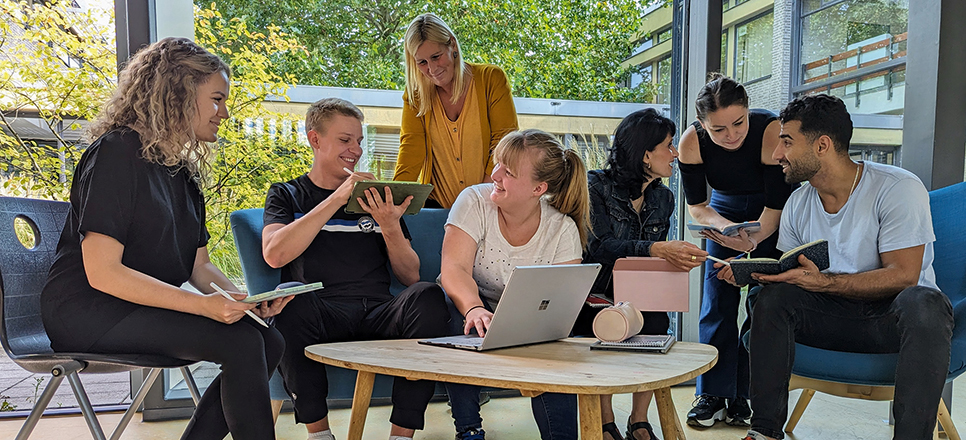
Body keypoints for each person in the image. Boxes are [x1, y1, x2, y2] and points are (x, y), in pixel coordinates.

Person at [40, 37, 290, 440]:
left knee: (267, 337)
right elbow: (103, 273)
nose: (225, 113)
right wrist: (202, 306)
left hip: (136, 309)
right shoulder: (116, 153)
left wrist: (240, 300)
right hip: (89, 310)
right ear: (178, 94)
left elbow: (200, 266)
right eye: (217, 100)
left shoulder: (182, 174)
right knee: (243, 343)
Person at [715, 94, 954, 440]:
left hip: (891, 323)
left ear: (822, 145)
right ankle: (763, 432)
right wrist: (754, 273)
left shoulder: (897, 188)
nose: (777, 154)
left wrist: (824, 283)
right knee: (771, 299)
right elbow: (793, 273)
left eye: (787, 142)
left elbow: (904, 276)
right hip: (830, 319)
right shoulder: (798, 202)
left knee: (925, 302)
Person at [261, 98, 450, 440]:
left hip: (377, 313)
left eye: (359, 141)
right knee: (288, 299)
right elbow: (275, 255)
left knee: (428, 295)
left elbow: (410, 276)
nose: (356, 150)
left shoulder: (378, 198)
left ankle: (401, 435)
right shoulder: (287, 194)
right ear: (315, 139)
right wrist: (335, 198)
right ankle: (320, 434)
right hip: (321, 313)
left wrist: (389, 225)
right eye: (345, 140)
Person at [440, 129, 588, 440]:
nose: (495, 175)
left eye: (508, 172)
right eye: (497, 164)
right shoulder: (473, 200)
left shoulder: (562, 229)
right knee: (455, 313)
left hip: (528, 317)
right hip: (472, 302)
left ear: (539, 188)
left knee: (555, 343)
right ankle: (469, 430)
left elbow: (558, 305)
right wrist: (474, 309)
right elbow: (454, 269)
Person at [677, 74, 797, 428]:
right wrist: (726, 229)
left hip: (771, 212)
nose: (731, 135)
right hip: (721, 212)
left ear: (748, 111)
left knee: (762, 301)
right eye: (718, 129)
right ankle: (712, 394)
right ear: (701, 124)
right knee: (717, 299)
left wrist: (753, 242)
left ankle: (745, 395)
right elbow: (697, 206)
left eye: (739, 123)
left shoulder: (769, 130)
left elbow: (775, 206)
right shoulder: (691, 142)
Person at [580, 109, 708, 440]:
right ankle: (605, 421)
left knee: (656, 321)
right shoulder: (595, 185)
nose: (675, 153)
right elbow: (599, 247)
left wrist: (679, 260)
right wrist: (656, 249)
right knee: (602, 323)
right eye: (669, 145)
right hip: (596, 291)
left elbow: (655, 258)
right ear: (646, 154)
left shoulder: (663, 197)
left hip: (640, 292)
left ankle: (639, 420)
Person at [393, 12, 519, 208]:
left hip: (488, 202)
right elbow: (410, 150)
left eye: (436, 57)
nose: (432, 69)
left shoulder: (491, 79)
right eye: (422, 62)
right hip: (437, 207)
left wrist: (480, 201)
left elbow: (504, 143)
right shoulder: (415, 96)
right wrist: (393, 198)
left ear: (452, 44)